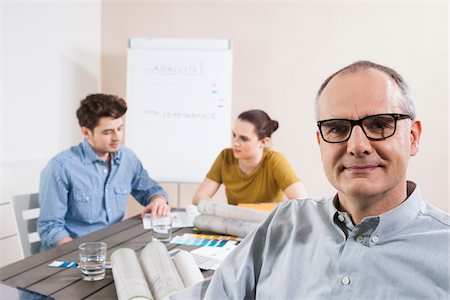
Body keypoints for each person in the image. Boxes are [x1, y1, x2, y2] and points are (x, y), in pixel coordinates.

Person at [171, 61, 450, 299]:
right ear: (320, 143)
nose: (357, 146)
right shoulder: (285, 223)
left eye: (379, 125)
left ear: (413, 137)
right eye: (337, 128)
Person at [37, 94, 170, 251]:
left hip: (113, 248)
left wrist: (158, 200)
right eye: (107, 132)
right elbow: (50, 227)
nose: (116, 138)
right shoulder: (61, 167)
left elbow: (151, 190)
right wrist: (83, 255)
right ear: (86, 132)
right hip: (75, 253)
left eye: (120, 129)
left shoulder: (127, 158)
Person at [192, 109, 308, 205]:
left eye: (244, 138)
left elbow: (302, 201)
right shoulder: (225, 157)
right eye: (234, 135)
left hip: (267, 227)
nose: (235, 143)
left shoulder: (274, 161)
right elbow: (199, 197)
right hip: (234, 227)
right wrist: (221, 209)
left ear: (263, 142)